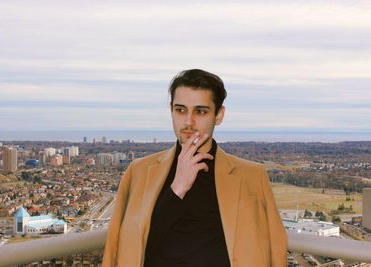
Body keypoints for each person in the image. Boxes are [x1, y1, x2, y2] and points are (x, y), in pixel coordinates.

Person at [102, 69, 287, 267]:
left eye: (200, 111)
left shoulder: (252, 175)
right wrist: (177, 189)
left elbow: (276, 250)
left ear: (219, 115)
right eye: (180, 110)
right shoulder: (138, 171)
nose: (188, 122)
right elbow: (119, 248)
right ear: (171, 110)